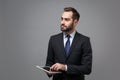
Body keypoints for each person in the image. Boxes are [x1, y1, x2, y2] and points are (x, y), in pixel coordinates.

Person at [45, 7, 92, 80]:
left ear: (75, 22)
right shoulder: (53, 39)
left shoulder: (84, 41)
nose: (62, 22)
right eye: (62, 19)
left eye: (66, 19)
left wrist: (65, 67)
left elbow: (87, 68)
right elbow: (49, 63)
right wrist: (48, 71)